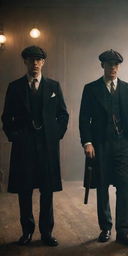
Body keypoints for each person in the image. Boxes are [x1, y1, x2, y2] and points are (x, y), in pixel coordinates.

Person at [1, 45, 69, 246]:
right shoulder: (15, 87)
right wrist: (16, 136)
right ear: (25, 62)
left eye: (38, 60)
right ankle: (27, 232)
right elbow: (6, 117)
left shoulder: (53, 87)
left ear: (43, 62)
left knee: (47, 191)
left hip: (47, 147)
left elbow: (63, 114)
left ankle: (47, 233)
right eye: (31, 60)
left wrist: (55, 134)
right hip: (24, 148)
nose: (35, 64)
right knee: (25, 190)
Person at [79, 49, 128, 246]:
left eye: (116, 64)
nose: (112, 67)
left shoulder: (127, 88)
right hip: (100, 145)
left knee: (123, 187)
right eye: (109, 64)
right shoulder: (91, 88)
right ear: (102, 66)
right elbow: (83, 118)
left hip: (123, 144)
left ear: (119, 67)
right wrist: (87, 142)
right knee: (103, 186)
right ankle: (105, 227)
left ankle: (123, 231)